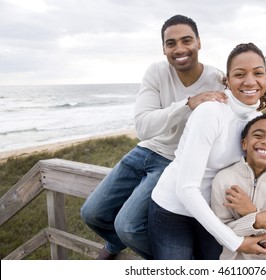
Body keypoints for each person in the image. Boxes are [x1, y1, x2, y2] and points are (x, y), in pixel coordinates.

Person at [80, 14, 228, 260]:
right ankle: (118, 244)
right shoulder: (157, 72)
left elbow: (249, 119)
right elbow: (143, 127)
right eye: (171, 43)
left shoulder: (217, 80)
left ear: (199, 43)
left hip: (173, 161)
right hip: (144, 150)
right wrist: (188, 104)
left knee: (127, 226)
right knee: (91, 213)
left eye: (186, 40)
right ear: (163, 48)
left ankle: (175, 262)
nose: (179, 49)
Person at [148, 43, 266, 260]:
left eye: (258, 73)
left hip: (217, 215)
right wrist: (236, 241)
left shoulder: (256, 122)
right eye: (240, 74)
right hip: (175, 211)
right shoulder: (210, 113)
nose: (250, 81)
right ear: (227, 81)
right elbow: (186, 189)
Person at [211, 113, 266, 260]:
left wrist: (251, 213)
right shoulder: (223, 180)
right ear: (244, 143)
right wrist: (257, 220)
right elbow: (221, 233)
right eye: (258, 136)